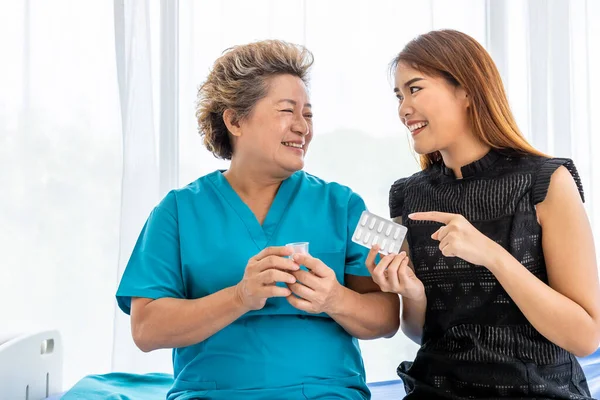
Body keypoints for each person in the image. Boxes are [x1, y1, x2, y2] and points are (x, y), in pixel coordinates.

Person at [116, 40, 400, 400]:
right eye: (287, 111)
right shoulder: (176, 211)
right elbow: (146, 329)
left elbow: (388, 317)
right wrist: (240, 296)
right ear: (235, 120)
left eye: (308, 114)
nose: (303, 127)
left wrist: (334, 299)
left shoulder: (343, 205)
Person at [366, 29, 600, 399]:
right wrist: (411, 293)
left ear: (467, 91)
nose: (403, 109)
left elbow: (585, 336)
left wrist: (492, 255)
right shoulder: (407, 195)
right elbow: (419, 331)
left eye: (414, 89)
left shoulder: (546, 181)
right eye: (398, 96)